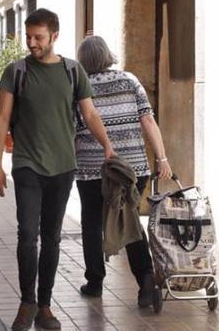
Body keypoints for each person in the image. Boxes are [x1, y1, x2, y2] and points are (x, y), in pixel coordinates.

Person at [0, 9, 116, 331]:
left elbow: (89, 115)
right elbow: (2, 118)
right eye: (28, 36)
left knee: (52, 238)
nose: (31, 43)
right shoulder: (15, 71)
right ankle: (26, 302)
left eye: (38, 37)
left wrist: (108, 146)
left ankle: (44, 305)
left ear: (54, 36)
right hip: (27, 164)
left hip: (62, 167)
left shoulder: (73, 72)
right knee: (27, 235)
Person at [73, 35, 173, 308]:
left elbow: (73, 127)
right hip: (132, 169)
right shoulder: (130, 80)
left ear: (82, 60)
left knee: (92, 223)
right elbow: (148, 119)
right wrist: (162, 157)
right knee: (129, 220)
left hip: (93, 168)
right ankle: (146, 281)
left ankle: (94, 282)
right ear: (108, 55)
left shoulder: (79, 85)